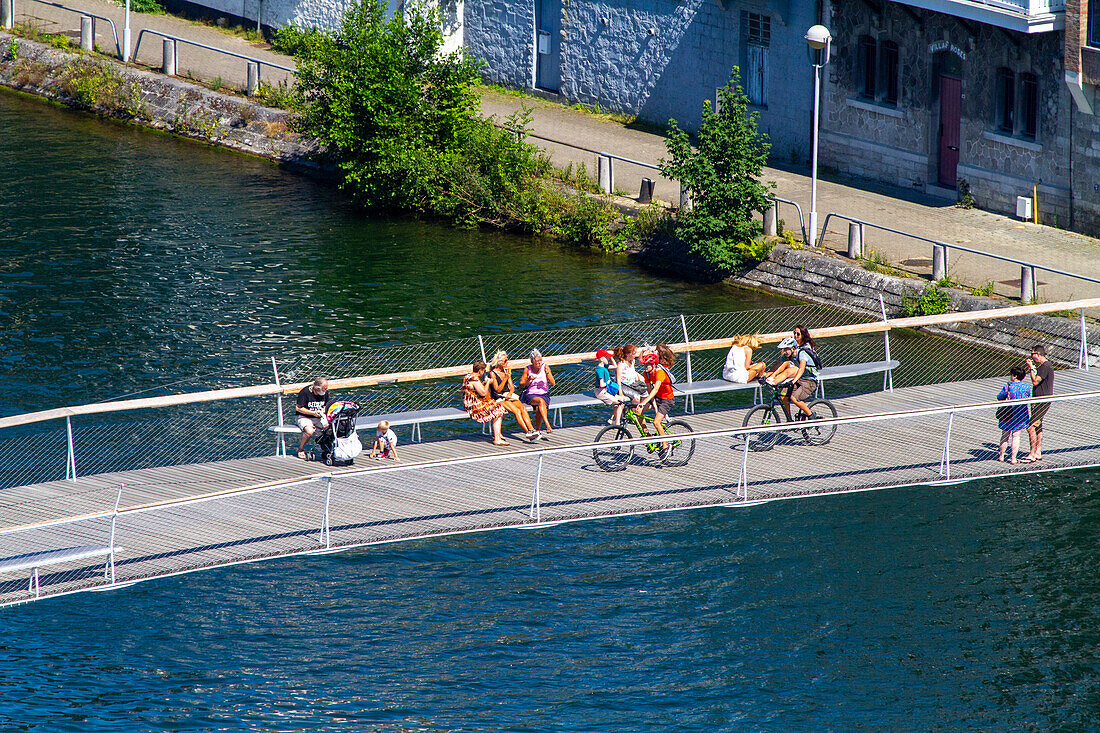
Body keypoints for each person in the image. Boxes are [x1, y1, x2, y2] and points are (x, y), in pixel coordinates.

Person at [488, 351, 540, 442]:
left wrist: (510, 392)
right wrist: (505, 378)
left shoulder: (506, 371)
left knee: (523, 408)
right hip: (499, 397)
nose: (507, 362)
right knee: (516, 411)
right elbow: (497, 389)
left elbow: (511, 386)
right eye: (505, 361)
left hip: (508, 396)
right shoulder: (493, 373)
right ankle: (527, 432)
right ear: (499, 362)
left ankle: (532, 430)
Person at [763, 336, 816, 420]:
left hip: (809, 381)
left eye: (787, 349)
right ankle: (789, 420)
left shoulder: (801, 354)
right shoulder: (787, 355)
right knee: (783, 396)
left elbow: (801, 369)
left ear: (793, 348)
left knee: (794, 398)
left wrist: (793, 382)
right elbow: (779, 365)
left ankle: (810, 414)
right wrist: (767, 377)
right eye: (784, 349)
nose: (785, 352)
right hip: (799, 379)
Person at [635, 344, 677, 450]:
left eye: (648, 365)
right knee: (637, 411)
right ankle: (647, 435)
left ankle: (665, 444)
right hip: (657, 398)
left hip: (667, 399)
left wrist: (644, 402)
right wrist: (652, 403)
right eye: (644, 365)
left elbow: (656, 388)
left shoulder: (660, 372)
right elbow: (650, 390)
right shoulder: (646, 373)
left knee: (656, 422)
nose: (645, 367)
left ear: (653, 364)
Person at [463, 360, 507, 446]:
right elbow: (483, 393)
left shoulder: (468, 376)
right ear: (480, 370)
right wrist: (488, 383)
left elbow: (475, 389)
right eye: (483, 371)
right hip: (473, 405)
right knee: (499, 410)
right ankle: (497, 438)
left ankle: (498, 433)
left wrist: (483, 383)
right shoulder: (474, 379)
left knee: (497, 405)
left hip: (468, 402)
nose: (483, 373)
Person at [1023, 344, 1053, 463]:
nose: (1031, 356)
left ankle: (1032, 453)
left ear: (1038, 354)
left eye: (1032, 354)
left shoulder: (1045, 367)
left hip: (1042, 400)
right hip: (1038, 399)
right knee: (1038, 425)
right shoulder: (1044, 366)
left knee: (1030, 426)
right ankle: (1037, 451)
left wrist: (1031, 367)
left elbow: (1035, 381)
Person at [997, 364, 1032, 464]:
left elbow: (1000, 397)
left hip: (1008, 413)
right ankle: (1013, 458)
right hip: (1021, 413)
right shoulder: (1026, 386)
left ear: (1014, 376)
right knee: (1016, 436)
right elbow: (1028, 396)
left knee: (1005, 435)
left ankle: (1002, 456)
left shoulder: (1008, 386)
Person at [520, 348, 555, 438]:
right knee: (540, 402)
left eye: (540, 360)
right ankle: (548, 425)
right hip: (531, 394)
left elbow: (553, 383)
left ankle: (538, 430)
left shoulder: (545, 367)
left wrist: (548, 374)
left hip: (544, 393)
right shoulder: (527, 369)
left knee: (540, 406)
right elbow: (521, 384)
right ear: (532, 361)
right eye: (537, 361)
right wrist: (529, 379)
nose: (539, 363)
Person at [296, 377, 333, 459]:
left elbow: (326, 405)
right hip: (304, 416)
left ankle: (326, 447)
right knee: (309, 431)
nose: (325, 391)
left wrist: (323, 410)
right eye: (323, 389)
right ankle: (301, 449)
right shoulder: (305, 392)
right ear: (317, 388)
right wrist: (312, 413)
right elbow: (298, 408)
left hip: (318, 416)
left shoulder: (325, 393)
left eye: (326, 389)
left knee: (329, 429)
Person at [594, 348, 628, 425]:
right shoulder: (600, 370)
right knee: (620, 403)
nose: (608, 359)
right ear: (601, 359)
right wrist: (608, 382)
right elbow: (601, 384)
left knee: (622, 398)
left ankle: (612, 419)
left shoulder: (604, 367)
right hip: (601, 392)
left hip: (606, 391)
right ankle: (617, 423)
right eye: (606, 357)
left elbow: (615, 366)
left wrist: (610, 357)